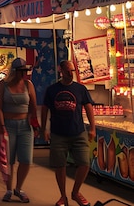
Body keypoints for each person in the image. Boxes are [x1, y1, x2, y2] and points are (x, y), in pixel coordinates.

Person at [41, 60, 96, 206]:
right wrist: (43, 129)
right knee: (60, 165)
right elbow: (45, 109)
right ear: (61, 71)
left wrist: (92, 128)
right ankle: (63, 196)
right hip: (58, 133)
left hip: (78, 131)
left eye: (72, 71)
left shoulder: (80, 89)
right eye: (68, 71)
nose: (71, 74)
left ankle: (75, 192)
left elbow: (88, 107)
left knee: (84, 163)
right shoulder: (52, 90)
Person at [0, 57, 39, 203]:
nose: (24, 74)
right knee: (9, 160)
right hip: (8, 124)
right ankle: (8, 189)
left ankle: (18, 188)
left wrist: (36, 124)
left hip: (25, 126)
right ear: (14, 72)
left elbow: (33, 106)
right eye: (21, 71)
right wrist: (2, 126)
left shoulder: (28, 84)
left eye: (25, 71)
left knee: (26, 159)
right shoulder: (3, 85)